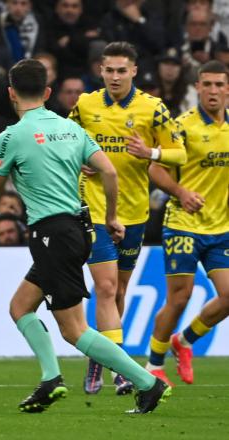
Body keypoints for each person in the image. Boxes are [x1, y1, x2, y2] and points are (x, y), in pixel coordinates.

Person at [0, 58, 171, 414]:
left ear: (11, 93)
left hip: (50, 234)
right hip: (80, 229)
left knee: (75, 330)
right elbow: (108, 171)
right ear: (48, 92)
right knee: (20, 307)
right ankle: (51, 379)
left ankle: (148, 382)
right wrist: (112, 217)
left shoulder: (12, 136)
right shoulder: (71, 130)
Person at [69, 41, 186, 395]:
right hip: (93, 208)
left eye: (122, 70)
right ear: (100, 71)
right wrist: (78, 159)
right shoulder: (86, 105)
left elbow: (180, 153)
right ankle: (120, 367)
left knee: (118, 290)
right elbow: (64, 142)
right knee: (104, 287)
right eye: (110, 70)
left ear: (134, 71)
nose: (115, 76)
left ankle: (97, 358)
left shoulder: (153, 108)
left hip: (133, 212)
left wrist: (149, 151)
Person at [145, 60, 229, 386]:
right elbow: (154, 168)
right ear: (197, 88)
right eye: (206, 84)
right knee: (179, 297)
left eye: (219, 85)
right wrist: (181, 191)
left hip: (221, 228)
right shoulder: (181, 127)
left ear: (227, 89)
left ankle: (185, 341)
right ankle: (154, 364)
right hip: (183, 222)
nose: (212, 91)